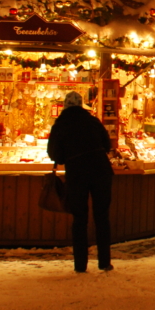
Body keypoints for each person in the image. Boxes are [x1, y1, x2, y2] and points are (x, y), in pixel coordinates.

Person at [47, 92, 114, 274]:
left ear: (65, 106)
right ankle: (105, 262)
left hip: (77, 173)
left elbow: (56, 155)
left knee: (79, 219)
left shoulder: (60, 125)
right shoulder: (93, 121)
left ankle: (80, 264)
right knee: (102, 217)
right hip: (101, 171)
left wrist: (71, 153)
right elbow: (107, 145)